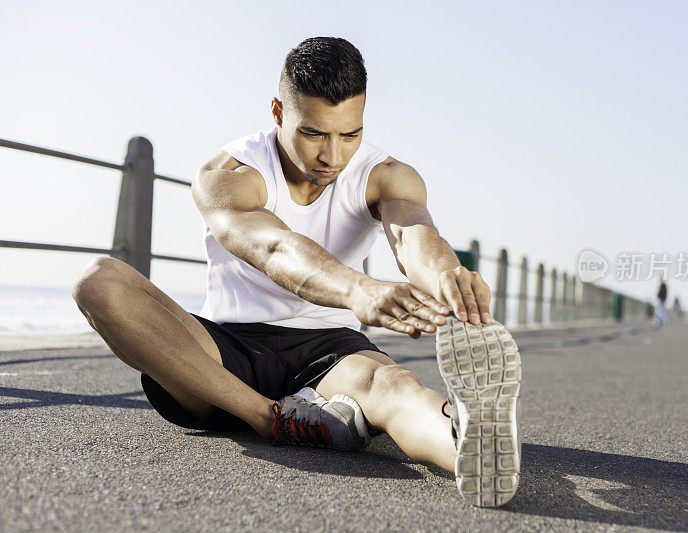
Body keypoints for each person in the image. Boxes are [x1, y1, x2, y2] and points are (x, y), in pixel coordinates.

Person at [71, 37, 520, 507]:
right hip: (224, 354)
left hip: (330, 350)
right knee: (98, 281)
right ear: (278, 112)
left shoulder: (385, 174)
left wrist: (447, 273)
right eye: (314, 133)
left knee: (395, 387)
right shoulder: (229, 174)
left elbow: (412, 235)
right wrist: (357, 290)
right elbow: (274, 247)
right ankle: (271, 417)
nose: (333, 156)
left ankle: (471, 447)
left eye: (349, 134)